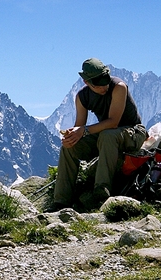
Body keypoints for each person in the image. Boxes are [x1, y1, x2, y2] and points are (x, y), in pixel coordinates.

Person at [50, 58, 147, 211]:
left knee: (107, 135)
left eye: (106, 81)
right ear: (86, 82)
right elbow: (79, 127)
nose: (104, 87)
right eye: (98, 85)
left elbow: (113, 122)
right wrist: (73, 136)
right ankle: (61, 201)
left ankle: (101, 192)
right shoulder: (82, 97)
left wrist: (84, 130)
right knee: (69, 147)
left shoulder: (119, 87)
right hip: (106, 135)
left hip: (133, 132)